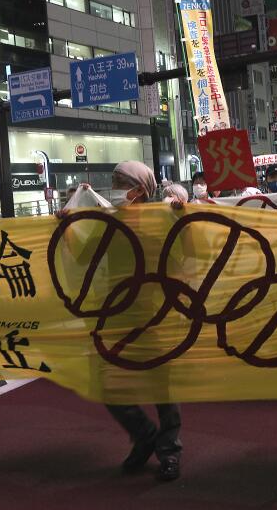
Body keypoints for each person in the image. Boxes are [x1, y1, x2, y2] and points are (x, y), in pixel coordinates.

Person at [103, 160, 183, 480]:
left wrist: (180, 218)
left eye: (121, 181)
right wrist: (65, 226)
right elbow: (81, 256)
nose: (116, 187)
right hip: (115, 315)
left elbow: (183, 255)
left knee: (160, 388)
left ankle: (169, 450)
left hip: (153, 314)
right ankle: (144, 435)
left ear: (140, 190)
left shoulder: (159, 220)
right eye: (115, 180)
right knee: (110, 386)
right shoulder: (107, 221)